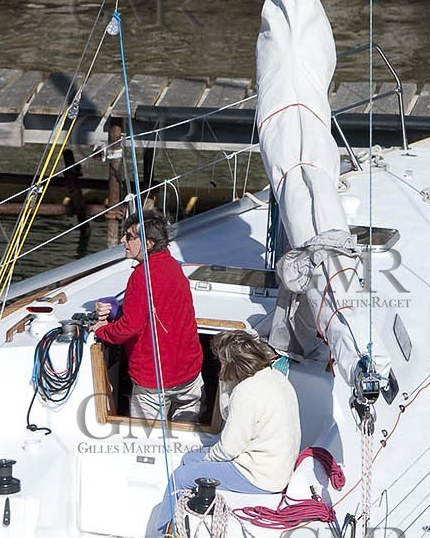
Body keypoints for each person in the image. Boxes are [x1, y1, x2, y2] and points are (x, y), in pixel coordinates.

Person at [94, 210, 203, 420]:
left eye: (129, 237)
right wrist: (118, 308)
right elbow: (159, 307)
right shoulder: (173, 266)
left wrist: (102, 330)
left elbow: (129, 327)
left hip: (154, 379)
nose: (122, 240)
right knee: (187, 435)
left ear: (149, 243)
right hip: (189, 373)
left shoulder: (141, 276)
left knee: (147, 443)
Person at [170, 329, 301, 494]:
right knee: (188, 458)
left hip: (259, 476)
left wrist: (205, 462)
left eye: (221, 362)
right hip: (275, 468)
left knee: (181, 477)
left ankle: (168, 520)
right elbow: (228, 417)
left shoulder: (246, 391)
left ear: (230, 363)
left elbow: (229, 448)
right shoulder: (276, 376)